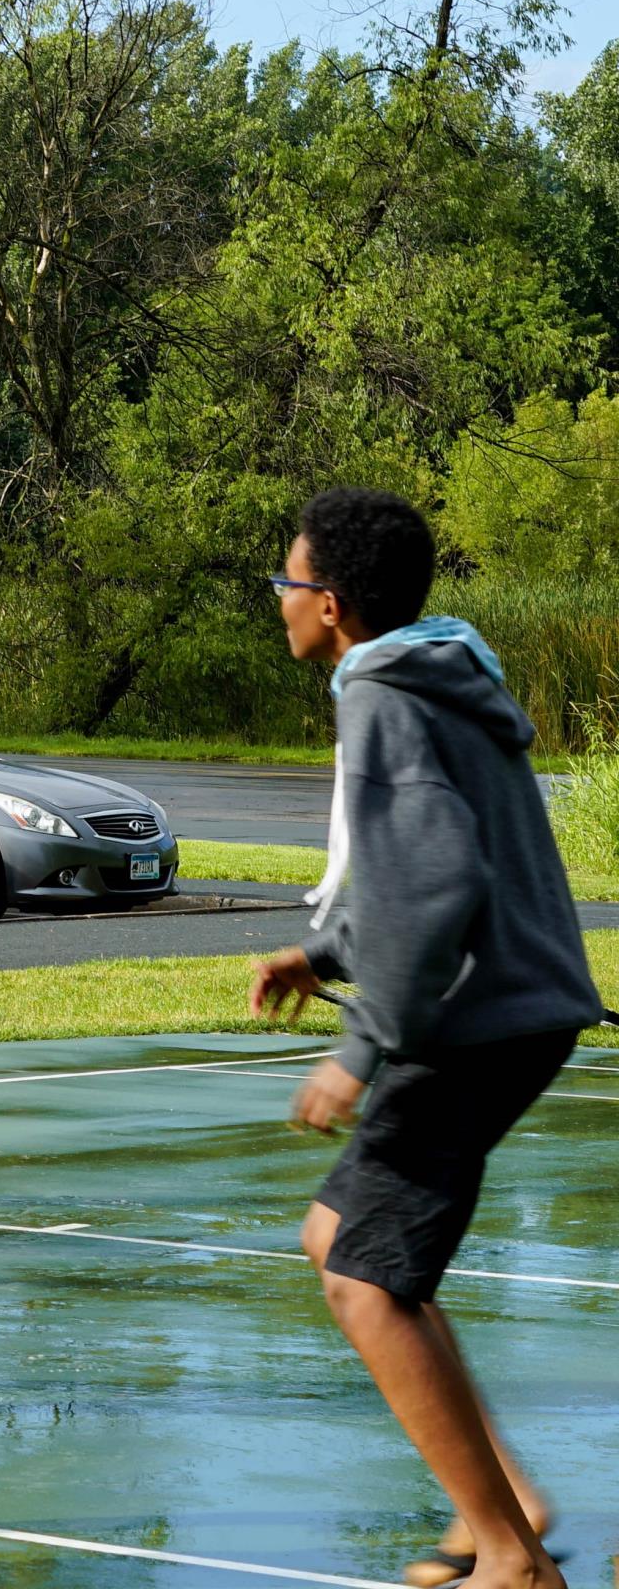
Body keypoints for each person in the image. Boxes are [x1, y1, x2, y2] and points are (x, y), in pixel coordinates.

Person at [250, 488, 598, 1589]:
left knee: (364, 1282)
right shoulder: (437, 673)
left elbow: (435, 883)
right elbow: (427, 862)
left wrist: (360, 1050)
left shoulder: (382, 696)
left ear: (331, 604)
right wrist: (325, 954)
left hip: (472, 1023)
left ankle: (510, 1560)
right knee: (337, 1238)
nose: (279, 600)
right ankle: (509, 1503)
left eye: (287, 582)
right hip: (516, 1009)